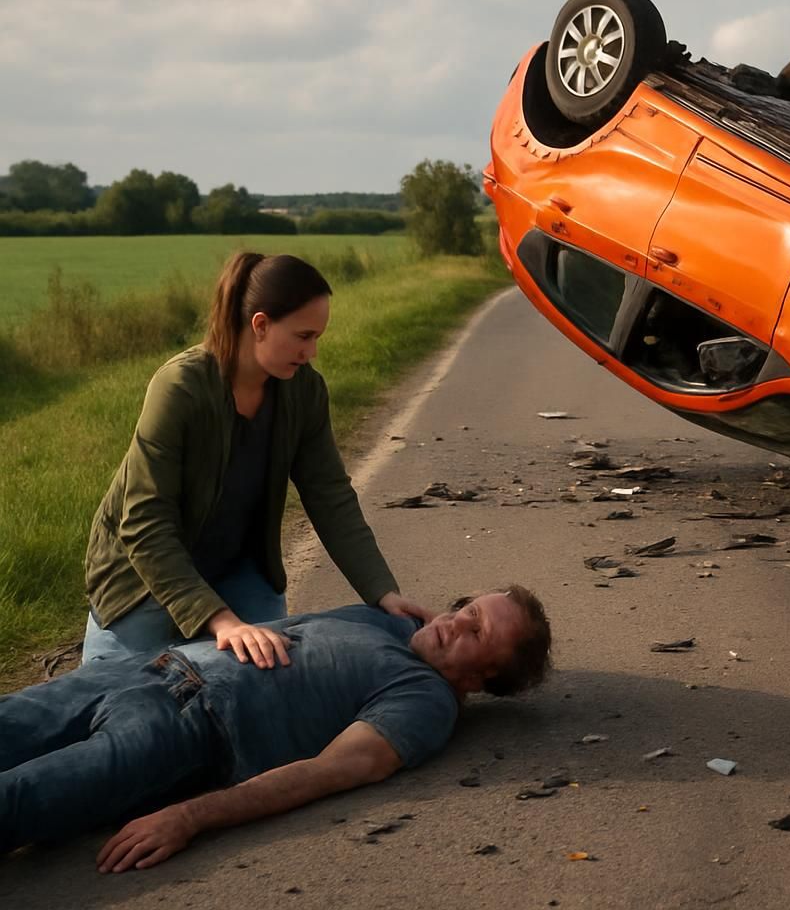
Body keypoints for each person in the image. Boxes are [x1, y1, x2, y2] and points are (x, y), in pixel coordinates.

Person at [2, 585, 553, 869]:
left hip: (186, 727)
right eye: (466, 607)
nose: (452, 621)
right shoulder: (389, 621)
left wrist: (188, 816)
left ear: (482, 679)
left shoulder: (426, 700)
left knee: (18, 798)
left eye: (474, 633)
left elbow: (328, 772)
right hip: (141, 667)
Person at [83, 252, 433, 666]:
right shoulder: (181, 388)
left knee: (265, 677)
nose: (312, 352)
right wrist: (222, 622)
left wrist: (382, 592)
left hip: (238, 568)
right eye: (303, 336)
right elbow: (144, 524)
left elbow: (330, 496)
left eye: (317, 337)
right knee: (118, 695)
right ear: (261, 325)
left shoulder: (304, 392)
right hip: (145, 575)